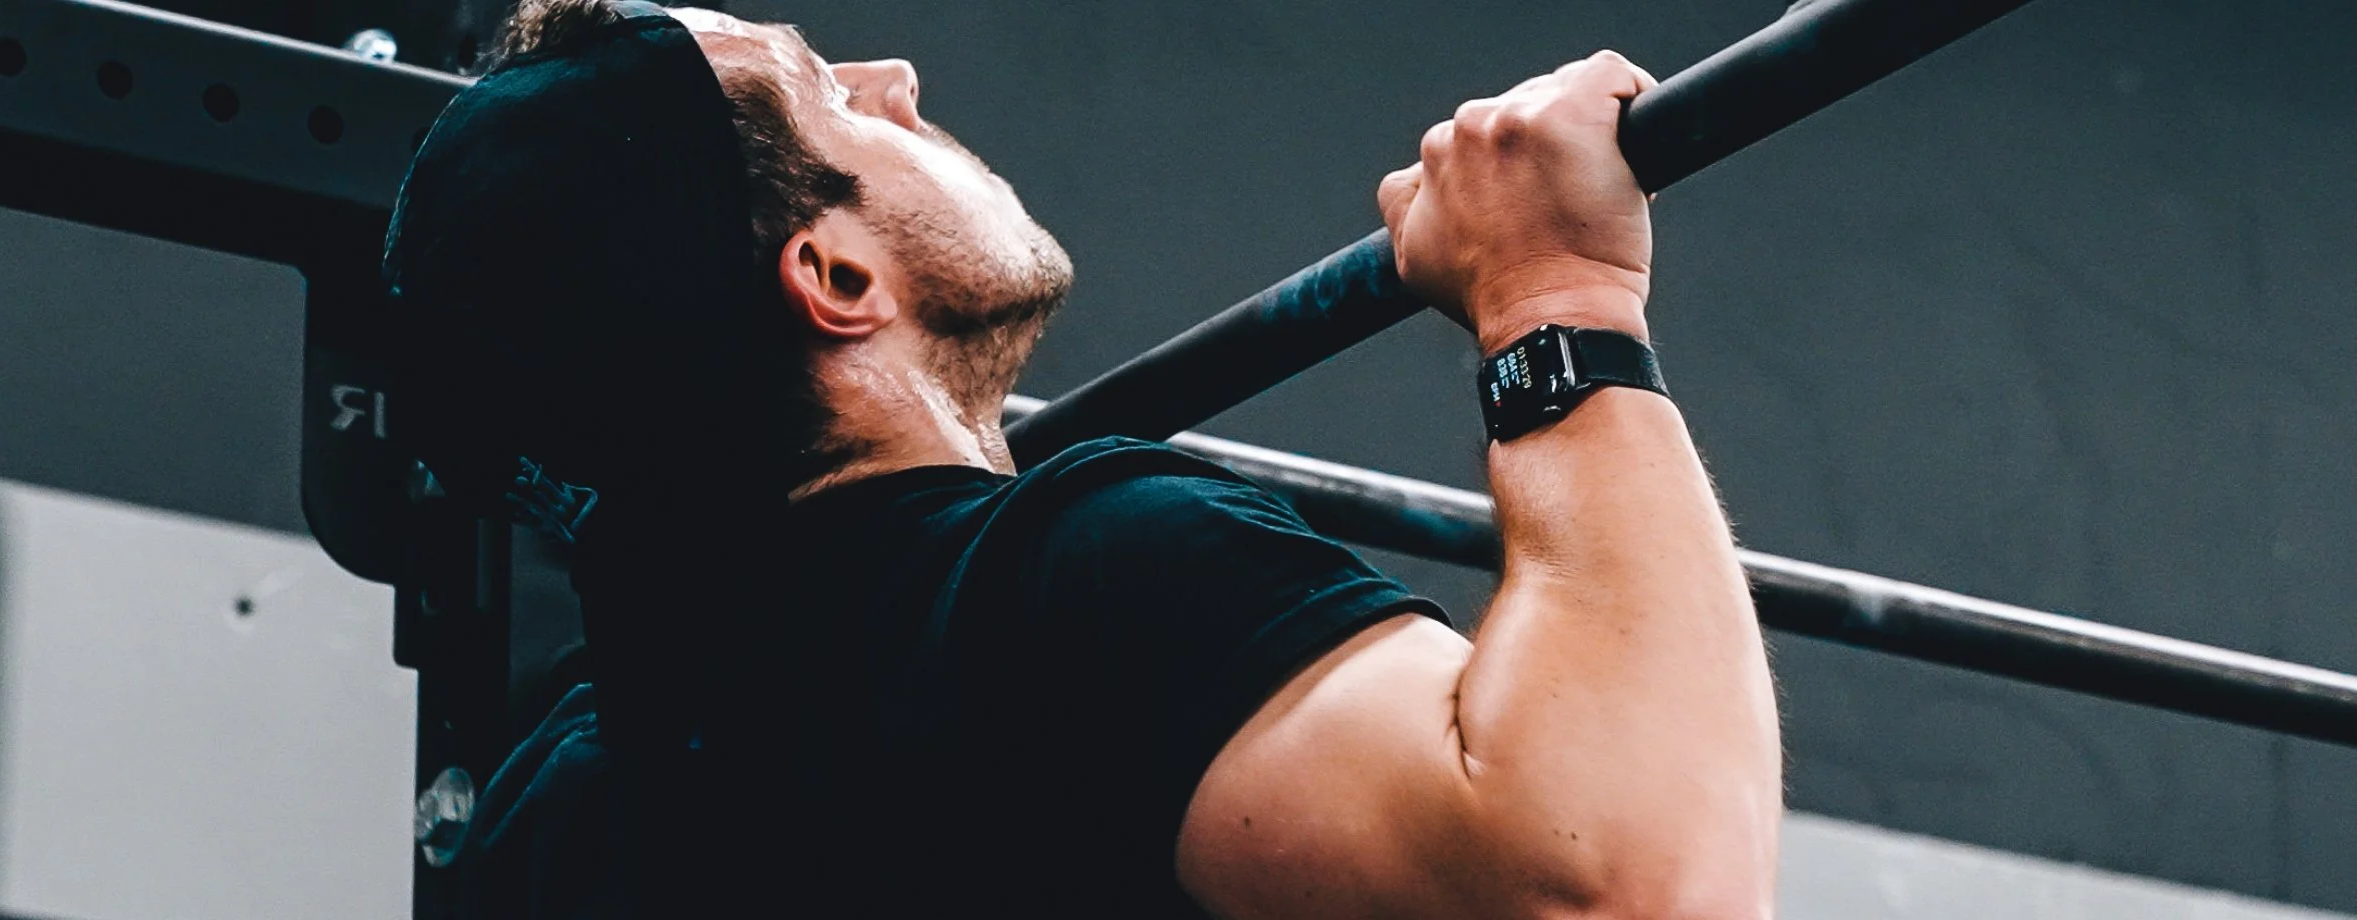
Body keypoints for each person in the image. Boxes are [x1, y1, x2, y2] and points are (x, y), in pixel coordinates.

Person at [384, 1, 1781, 917]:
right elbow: (1623, 888)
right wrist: (1555, 293)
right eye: (831, 96)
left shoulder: (551, 813)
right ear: (836, 277)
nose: (897, 79)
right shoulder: (1071, 579)